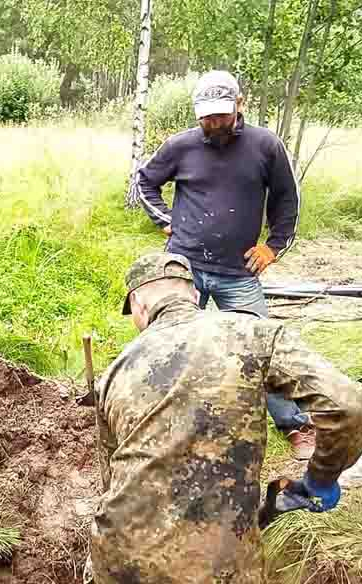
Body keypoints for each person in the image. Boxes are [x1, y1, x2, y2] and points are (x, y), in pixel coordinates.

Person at [74, 252, 362, 584]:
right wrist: (320, 478)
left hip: (122, 555)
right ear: (190, 292)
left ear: (140, 306)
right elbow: (344, 406)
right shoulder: (253, 334)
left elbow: (112, 477)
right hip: (212, 573)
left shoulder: (119, 368)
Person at [133, 70, 318, 460]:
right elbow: (144, 182)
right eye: (206, 116)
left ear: (239, 104)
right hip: (185, 269)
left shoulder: (265, 146)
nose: (213, 123)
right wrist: (165, 220)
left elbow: (287, 201)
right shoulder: (180, 146)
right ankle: (155, 418)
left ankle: (295, 424)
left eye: (221, 115)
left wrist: (274, 246)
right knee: (168, 344)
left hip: (239, 273)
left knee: (262, 350)